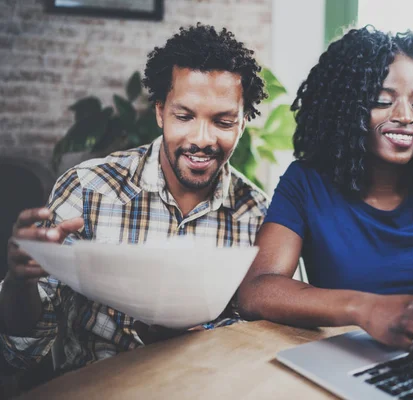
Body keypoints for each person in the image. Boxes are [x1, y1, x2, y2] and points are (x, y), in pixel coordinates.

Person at [0, 23, 269, 374]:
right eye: (184, 116)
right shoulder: (87, 188)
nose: (202, 139)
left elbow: (263, 341)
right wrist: (22, 281)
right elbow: (24, 350)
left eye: (223, 121)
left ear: (243, 123)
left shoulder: (259, 215)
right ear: (160, 112)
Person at [238, 26, 413, 356]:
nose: (404, 116)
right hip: (338, 357)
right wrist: (365, 308)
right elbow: (257, 290)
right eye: (381, 101)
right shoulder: (307, 183)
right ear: (345, 108)